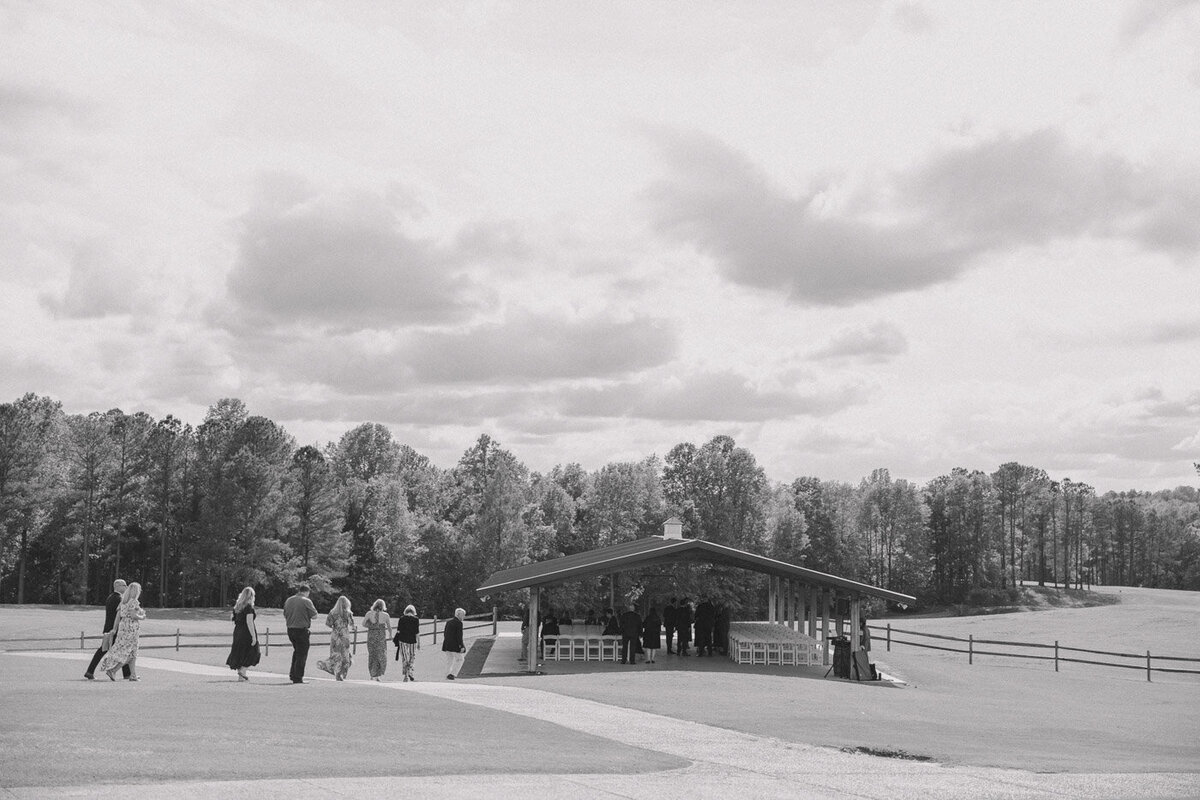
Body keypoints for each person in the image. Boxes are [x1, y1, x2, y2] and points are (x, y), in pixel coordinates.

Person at [98, 582, 146, 681]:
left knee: (131, 652)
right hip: (131, 629)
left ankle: (133, 675)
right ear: (137, 592)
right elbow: (133, 616)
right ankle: (113, 670)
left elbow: (118, 616)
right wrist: (142, 617)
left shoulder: (123, 601)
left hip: (123, 627)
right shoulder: (134, 602)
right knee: (130, 652)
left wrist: (115, 629)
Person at [85, 579, 131, 680]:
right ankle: (126, 674)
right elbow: (119, 615)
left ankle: (90, 671)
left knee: (104, 650)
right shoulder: (118, 599)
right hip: (115, 629)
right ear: (118, 586)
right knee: (123, 650)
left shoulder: (111, 597)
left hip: (109, 628)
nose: (126, 587)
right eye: (124, 585)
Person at [283, 584, 319, 684]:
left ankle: (293, 674)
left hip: (290, 629)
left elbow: (285, 614)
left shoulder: (289, 600)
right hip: (301, 630)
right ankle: (298, 677)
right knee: (302, 654)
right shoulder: (306, 601)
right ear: (307, 592)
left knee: (297, 652)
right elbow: (315, 616)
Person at [225, 586, 260, 681]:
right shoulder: (248, 608)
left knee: (241, 652)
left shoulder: (237, 607)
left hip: (237, 632)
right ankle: (243, 670)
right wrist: (253, 636)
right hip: (246, 632)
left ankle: (241, 677)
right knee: (253, 652)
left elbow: (232, 618)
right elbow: (249, 622)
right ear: (251, 596)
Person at [318, 595, 356, 681]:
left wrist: (335, 627)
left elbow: (328, 624)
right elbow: (352, 625)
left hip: (335, 636)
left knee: (336, 655)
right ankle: (340, 673)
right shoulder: (348, 613)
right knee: (345, 656)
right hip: (344, 636)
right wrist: (352, 627)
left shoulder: (332, 612)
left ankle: (333, 670)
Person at [363, 599, 392, 681]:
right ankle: (378, 675)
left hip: (371, 637)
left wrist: (372, 626)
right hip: (381, 638)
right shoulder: (386, 615)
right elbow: (389, 627)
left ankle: (372, 674)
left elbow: (363, 624)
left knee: (372, 655)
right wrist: (390, 635)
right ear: (383, 606)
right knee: (381, 655)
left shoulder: (369, 613)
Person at [394, 604, 421, 682]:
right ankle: (410, 672)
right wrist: (419, 643)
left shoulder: (402, 618)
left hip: (402, 640)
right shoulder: (416, 619)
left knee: (405, 658)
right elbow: (417, 632)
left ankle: (406, 675)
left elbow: (398, 631)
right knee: (412, 657)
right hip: (412, 641)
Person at [442, 607, 466, 679]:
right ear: (458, 615)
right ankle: (452, 674)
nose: (464, 617)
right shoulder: (459, 623)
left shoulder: (448, 622)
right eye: (463, 615)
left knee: (449, 660)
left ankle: (447, 674)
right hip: (454, 645)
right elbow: (459, 636)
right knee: (460, 659)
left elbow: (445, 633)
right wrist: (461, 646)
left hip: (447, 644)